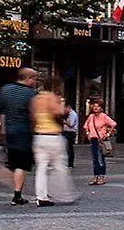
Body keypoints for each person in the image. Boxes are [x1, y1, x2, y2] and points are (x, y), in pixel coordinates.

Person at [0, 67, 40, 205]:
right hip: (24, 133)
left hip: (9, 131)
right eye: (35, 79)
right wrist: (35, 130)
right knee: (22, 165)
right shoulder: (30, 94)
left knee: (14, 161)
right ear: (29, 78)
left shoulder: (4, 90)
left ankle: (7, 173)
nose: (35, 82)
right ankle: (17, 194)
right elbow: (33, 116)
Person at [30, 77, 74, 207]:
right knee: (60, 165)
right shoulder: (52, 97)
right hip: (53, 136)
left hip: (39, 136)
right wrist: (62, 106)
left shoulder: (36, 99)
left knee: (41, 168)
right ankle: (63, 194)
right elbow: (58, 113)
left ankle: (41, 196)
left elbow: (32, 117)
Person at [82, 98, 117, 186]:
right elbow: (86, 126)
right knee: (95, 159)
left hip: (101, 140)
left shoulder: (103, 116)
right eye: (94, 106)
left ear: (101, 108)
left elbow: (113, 124)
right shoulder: (91, 117)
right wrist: (88, 133)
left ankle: (101, 176)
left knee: (101, 159)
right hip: (93, 140)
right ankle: (95, 176)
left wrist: (108, 133)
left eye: (98, 106)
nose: (95, 108)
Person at [61, 101, 79, 169]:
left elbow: (71, 124)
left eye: (64, 108)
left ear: (68, 107)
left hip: (70, 132)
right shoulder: (68, 114)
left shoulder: (72, 114)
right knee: (66, 148)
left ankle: (70, 163)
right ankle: (67, 162)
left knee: (69, 148)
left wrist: (64, 122)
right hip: (66, 132)